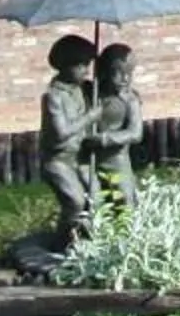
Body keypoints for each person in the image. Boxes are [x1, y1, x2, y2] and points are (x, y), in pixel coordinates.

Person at [36, 34, 99, 252]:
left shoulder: (84, 89)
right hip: (58, 161)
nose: (86, 71)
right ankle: (61, 245)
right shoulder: (53, 96)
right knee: (75, 202)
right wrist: (89, 117)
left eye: (88, 65)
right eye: (82, 66)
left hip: (80, 157)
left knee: (97, 198)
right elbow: (61, 133)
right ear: (65, 65)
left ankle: (88, 243)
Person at [86, 42, 145, 228]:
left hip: (116, 160)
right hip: (90, 161)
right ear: (104, 70)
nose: (125, 78)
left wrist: (105, 139)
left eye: (130, 73)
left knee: (124, 202)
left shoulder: (130, 100)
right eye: (118, 72)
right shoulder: (93, 93)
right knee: (94, 203)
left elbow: (136, 133)